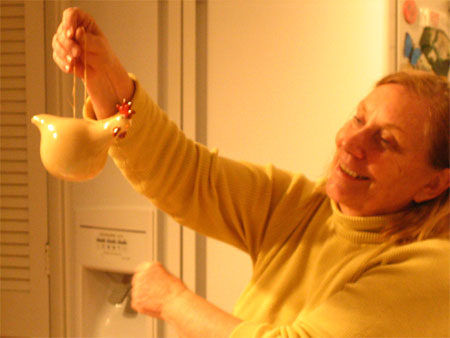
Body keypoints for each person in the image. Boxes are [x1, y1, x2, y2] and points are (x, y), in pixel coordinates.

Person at [52, 7, 450, 338]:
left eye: (386, 141)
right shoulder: (299, 206)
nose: (351, 142)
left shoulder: (433, 268)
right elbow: (183, 174)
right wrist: (103, 73)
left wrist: (173, 300)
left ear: (434, 182)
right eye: (358, 118)